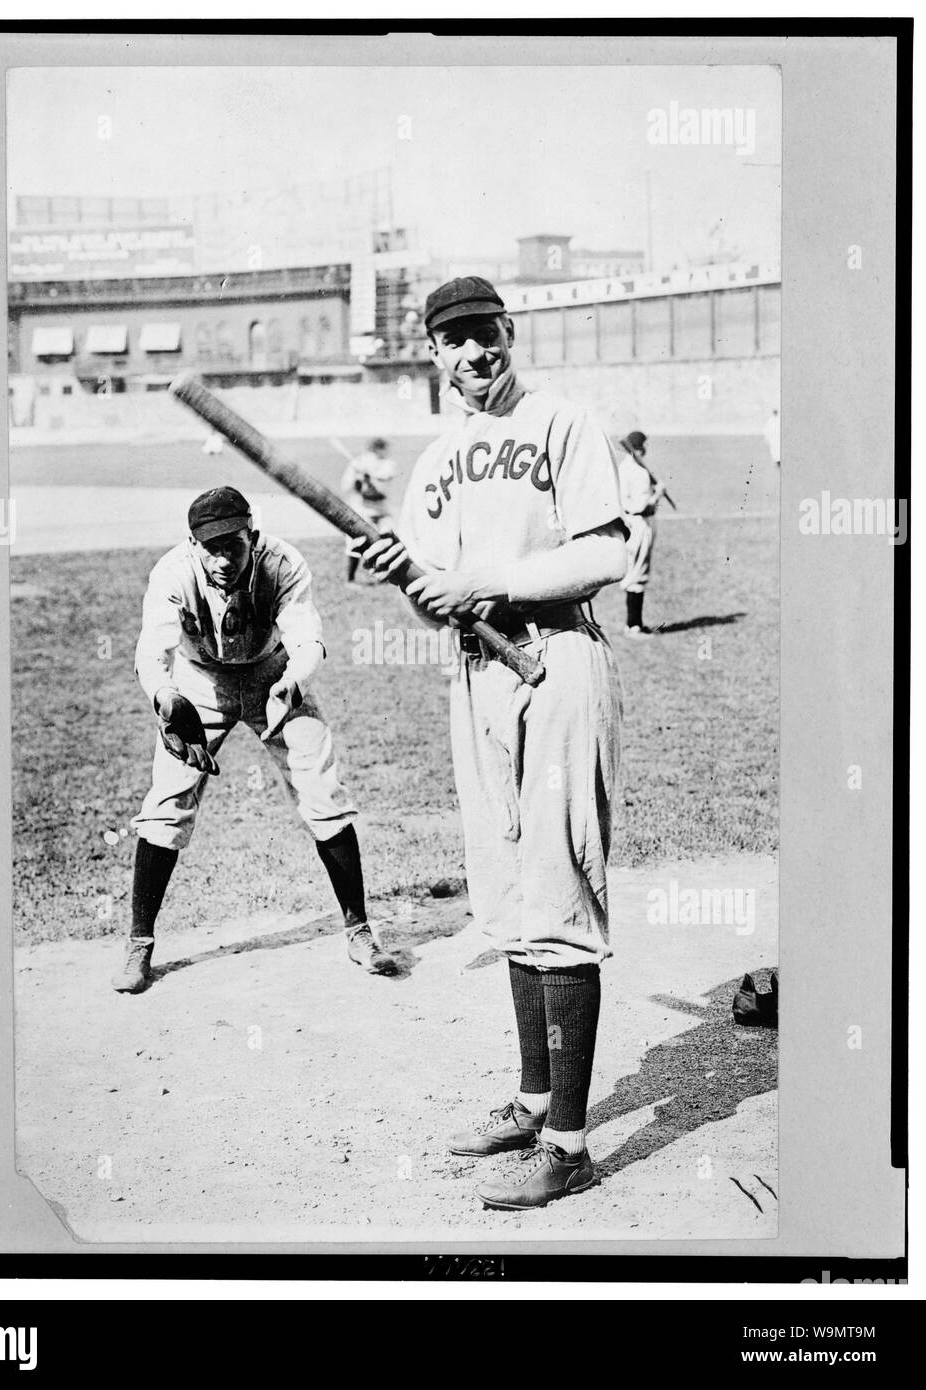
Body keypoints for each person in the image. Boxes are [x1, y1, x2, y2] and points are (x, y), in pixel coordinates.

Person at [360, 276, 628, 1210]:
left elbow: (608, 553)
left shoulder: (563, 421)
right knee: (510, 897)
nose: (472, 353)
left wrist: (490, 582)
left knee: (558, 890)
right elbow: (437, 589)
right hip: (478, 673)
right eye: (453, 340)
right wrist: (401, 574)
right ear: (432, 353)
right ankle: (533, 1099)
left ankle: (570, 1143)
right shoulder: (437, 459)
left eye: (485, 334)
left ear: (509, 334)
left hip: (553, 661)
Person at [111, 485, 396, 994]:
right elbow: (151, 652)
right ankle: (139, 944)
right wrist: (166, 698)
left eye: (233, 545)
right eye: (210, 547)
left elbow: (307, 637)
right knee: (167, 804)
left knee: (323, 793)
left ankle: (360, 931)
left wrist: (295, 680)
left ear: (253, 536)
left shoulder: (282, 562)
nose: (222, 558)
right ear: (194, 544)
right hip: (199, 682)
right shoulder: (173, 571)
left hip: (274, 675)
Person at [616, 429, 666, 638]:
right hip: (637, 522)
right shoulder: (631, 470)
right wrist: (657, 495)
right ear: (638, 448)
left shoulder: (634, 467)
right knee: (636, 573)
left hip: (641, 522)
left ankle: (636, 623)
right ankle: (633, 626)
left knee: (639, 572)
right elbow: (639, 505)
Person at [341, 438, 398, 582]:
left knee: (390, 539)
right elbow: (347, 488)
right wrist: (358, 479)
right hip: (362, 507)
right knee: (355, 542)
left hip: (381, 507)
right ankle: (350, 579)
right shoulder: (358, 464)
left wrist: (370, 476)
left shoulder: (388, 464)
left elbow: (381, 488)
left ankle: (386, 576)